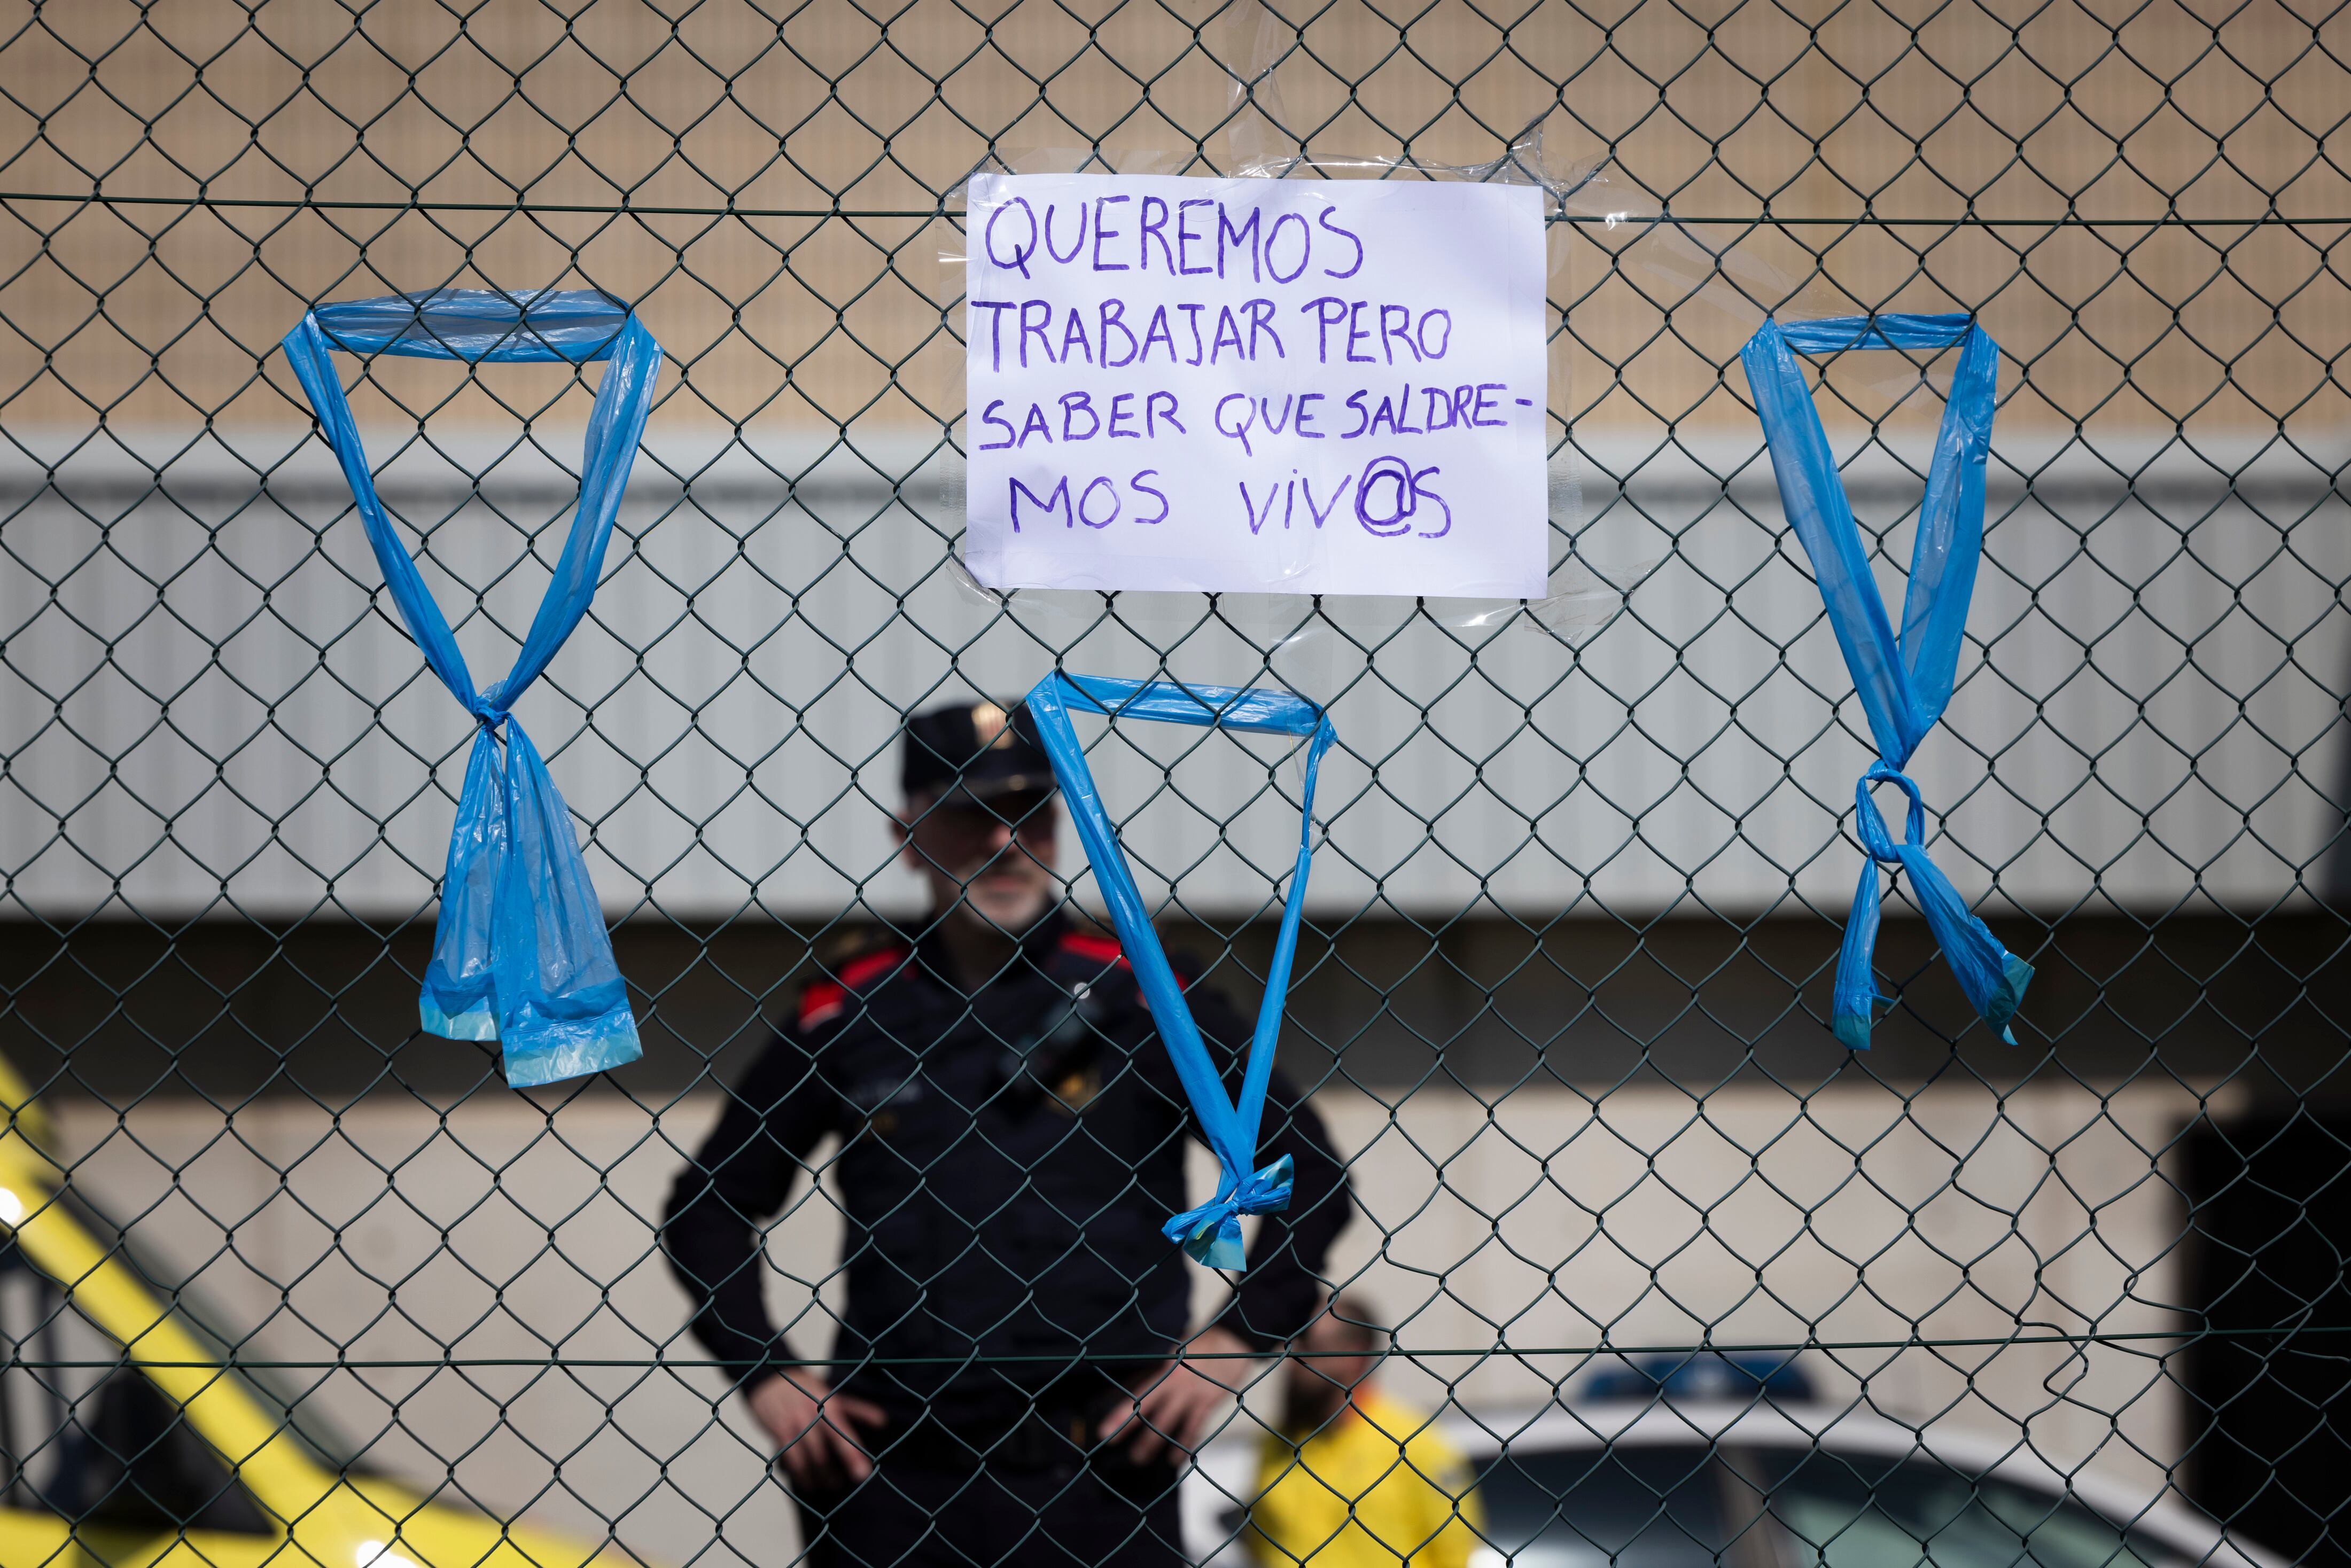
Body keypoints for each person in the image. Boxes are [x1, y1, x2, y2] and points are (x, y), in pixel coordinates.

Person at [661, 696, 1354, 1568]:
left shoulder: (1146, 997)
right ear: (907, 833)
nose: (1003, 843)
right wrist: (764, 1370)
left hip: (1103, 1477)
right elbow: (711, 1204)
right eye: (969, 815)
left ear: (1064, 830)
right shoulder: (847, 1006)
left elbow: (1309, 1174)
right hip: (894, 1482)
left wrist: (1235, 1338)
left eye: (1028, 813)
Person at [1246, 1297, 1483, 1568]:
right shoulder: (1277, 1442)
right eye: (1290, 1345)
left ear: (1355, 1356)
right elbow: (1259, 1546)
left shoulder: (1415, 1444)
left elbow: (1454, 1555)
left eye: (1308, 1347)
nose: (1291, 1361)